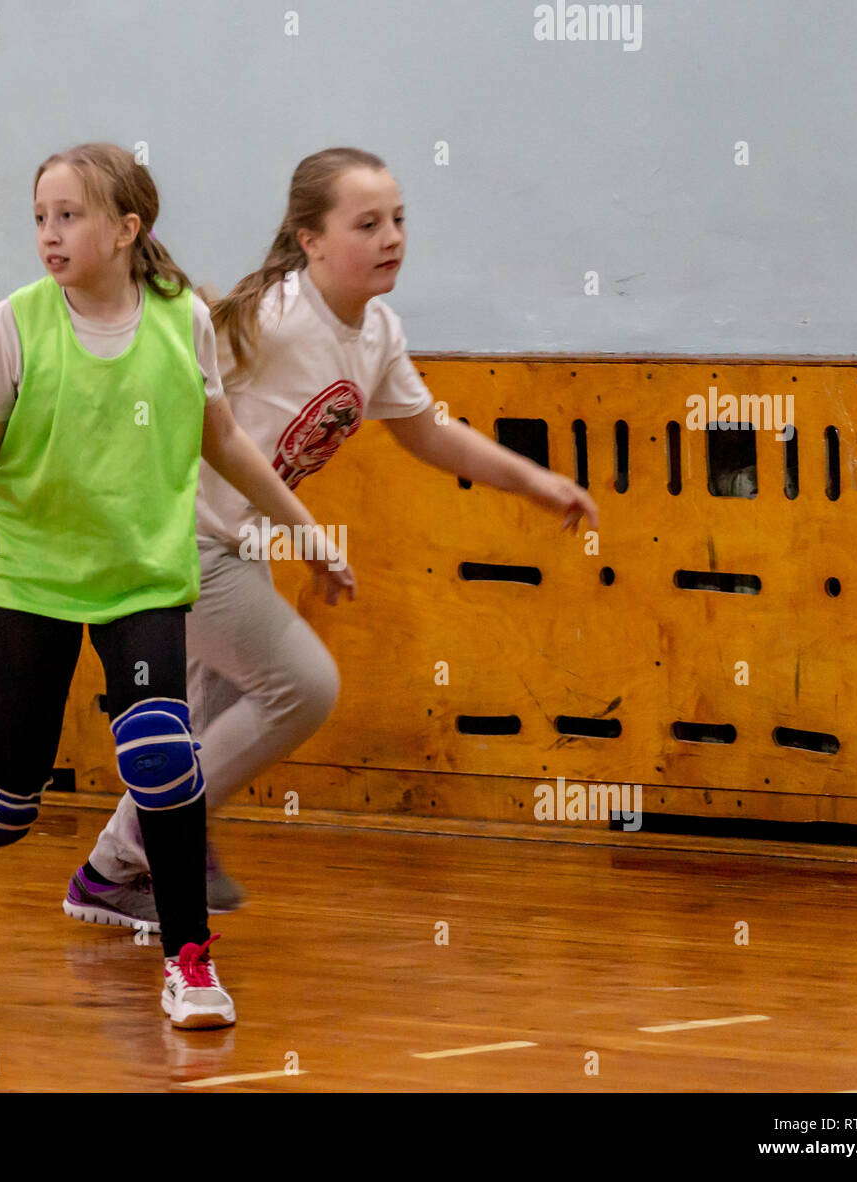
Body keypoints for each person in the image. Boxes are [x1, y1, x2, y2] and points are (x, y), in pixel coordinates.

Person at [75, 147, 600, 931]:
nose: (392, 237)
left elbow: (428, 434)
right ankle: (126, 855)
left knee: (204, 716)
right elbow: (159, 383)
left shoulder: (376, 330)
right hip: (173, 536)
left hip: (235, 546)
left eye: (398, 220)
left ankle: (126, 865)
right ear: (311, 239)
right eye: (367, 224)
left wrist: (534, 481)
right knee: (303, 687)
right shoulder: (276, 320)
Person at [0, 142, 348, 1030]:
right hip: (33, 578)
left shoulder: (184, 320)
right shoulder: (14, 323)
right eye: (40, 218)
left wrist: (304, 528)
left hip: (144, 574)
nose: (50, 235)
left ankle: (188, 960)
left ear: (127, 229)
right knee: (8, 792)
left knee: (161, 758)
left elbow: (222, 440)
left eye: (70, 217)